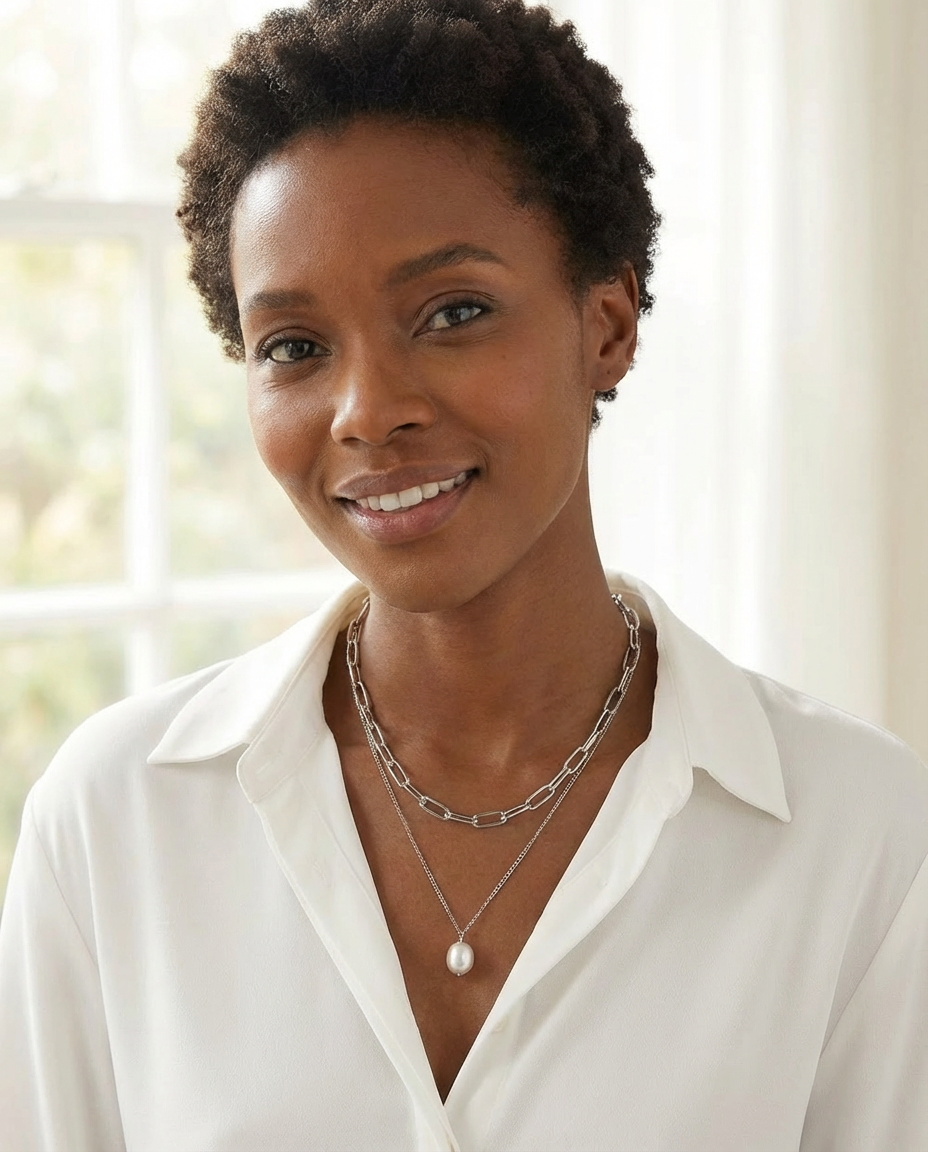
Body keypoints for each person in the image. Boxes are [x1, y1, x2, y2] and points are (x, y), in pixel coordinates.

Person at [1, 0, 926, 1148]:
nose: (368, 411)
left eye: (452, 312)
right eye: (294, 345)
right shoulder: (115, 820)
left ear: (608, 325)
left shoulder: (861, 838)